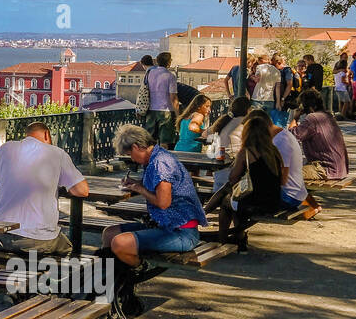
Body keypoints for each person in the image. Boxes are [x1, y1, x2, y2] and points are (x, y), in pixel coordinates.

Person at [106, 123, 207, 266]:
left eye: (130, 155)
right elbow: (157, 187)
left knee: (119, 243)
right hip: (162, 224)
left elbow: (163, 202)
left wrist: (139, 189)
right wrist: (137, 183)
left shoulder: (161, 163)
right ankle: (115, 277)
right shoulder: (155, 157)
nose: (132, 159)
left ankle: (138, 269)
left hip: (181, 232)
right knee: (110, 233)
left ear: (136, 147)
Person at [0, 121, 88, 255]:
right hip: (38, 238)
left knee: (6, 254)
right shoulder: (57, 153)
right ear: (46, 134)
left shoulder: (5, 148)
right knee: (67, 247)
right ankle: (42, 275)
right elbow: (82, 191)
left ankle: (12, 273)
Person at [203, 109, 286, 252]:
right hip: (273, 200)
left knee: (226, 201)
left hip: (256, 201)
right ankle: (238, 239)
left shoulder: (247, 152)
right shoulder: (274, 151)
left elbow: (233, 178)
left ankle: (222, 239)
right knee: (233, 199)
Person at [290, 89, 350, 181]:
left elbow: (291, 137)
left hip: (326, 169)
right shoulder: (328, 116)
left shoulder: (312, 118)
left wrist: (295, 118)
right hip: (340, 169)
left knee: (286, 174)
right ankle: (304, 195)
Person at [206, 96, 252, 193]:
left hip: (219, 171)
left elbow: (205, 134)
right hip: (234, 172)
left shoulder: (225, 121)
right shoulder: (246, 123)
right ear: (248, 110)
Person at [143, 51, 179, 148]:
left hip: (151, 110)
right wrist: (178, 115)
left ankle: (151, 161)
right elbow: (173, 97)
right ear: (168, 62)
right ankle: (163, 161)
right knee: (165, 142)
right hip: (166, 111)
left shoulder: (149, 73)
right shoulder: (170, 76)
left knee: (150, 141)